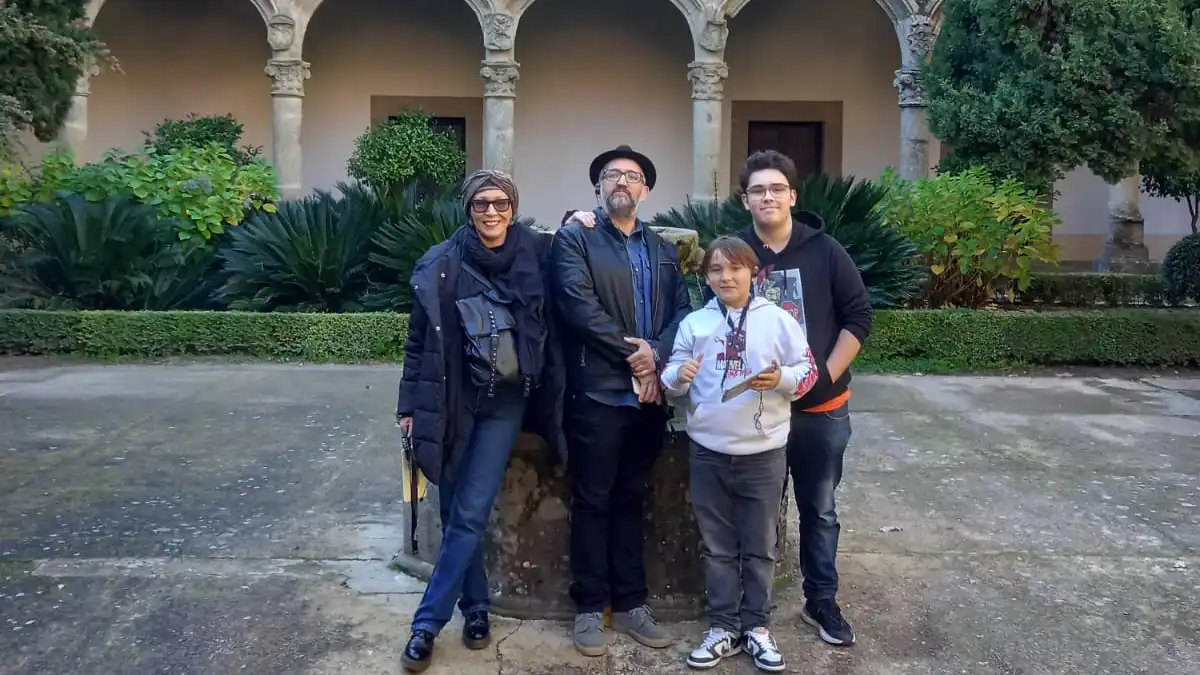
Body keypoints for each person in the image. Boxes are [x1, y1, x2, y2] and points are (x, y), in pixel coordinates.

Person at [562, 149, 873, 647]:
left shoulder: (823, 250)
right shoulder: (730, 253)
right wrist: (660, 365)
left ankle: (818, 604)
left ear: (792, 196)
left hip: (813, 408)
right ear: (744, 199)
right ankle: (716, 618)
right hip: (694, 414)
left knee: (818, 510)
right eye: (757, 190)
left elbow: (858, 317)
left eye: (776, 189)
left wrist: (818, 382)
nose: (767, 197)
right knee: (710, 525)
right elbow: (684, 327)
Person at [396, 169, 565, 672]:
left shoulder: (537, 252)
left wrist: (582, 218)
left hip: (505, 402)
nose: (491, 212)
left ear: (514, 208)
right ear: (468, 210)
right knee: (453, 515)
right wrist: (408, 407)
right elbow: (416, 344)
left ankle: (426, 623)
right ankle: (475, 610)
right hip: (452, 398)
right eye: (480, 205)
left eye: (500, 203)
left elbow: (581, 253)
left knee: (469, 512)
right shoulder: (442, 263)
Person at [549, 144, 694, 657]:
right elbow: (577, 306)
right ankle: (589, 608)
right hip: (598, 392)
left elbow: (683, 311)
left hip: (650, 395)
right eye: (612, 175)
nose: (622, 183)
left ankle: (633, 604)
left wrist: (656, 353)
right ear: (598, 187)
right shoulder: (576, 239)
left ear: (646, 190)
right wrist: (635, 355)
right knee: (592, 499)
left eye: (632, 177)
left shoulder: (661, 247)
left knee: (633, 497)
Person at [661, 236, 818, 672]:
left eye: (735, 268)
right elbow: (671, 381)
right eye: (716, 270)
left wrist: (782, 378)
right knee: (717, 547)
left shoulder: (778, 319)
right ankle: (723, 627)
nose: (726, 277)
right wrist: (679, 374)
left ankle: (757, 626)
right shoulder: (695, 324)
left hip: (763, 453)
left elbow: (809, 372)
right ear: (706, 276)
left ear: (753, 272)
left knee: (760, 546)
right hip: (708, 452)